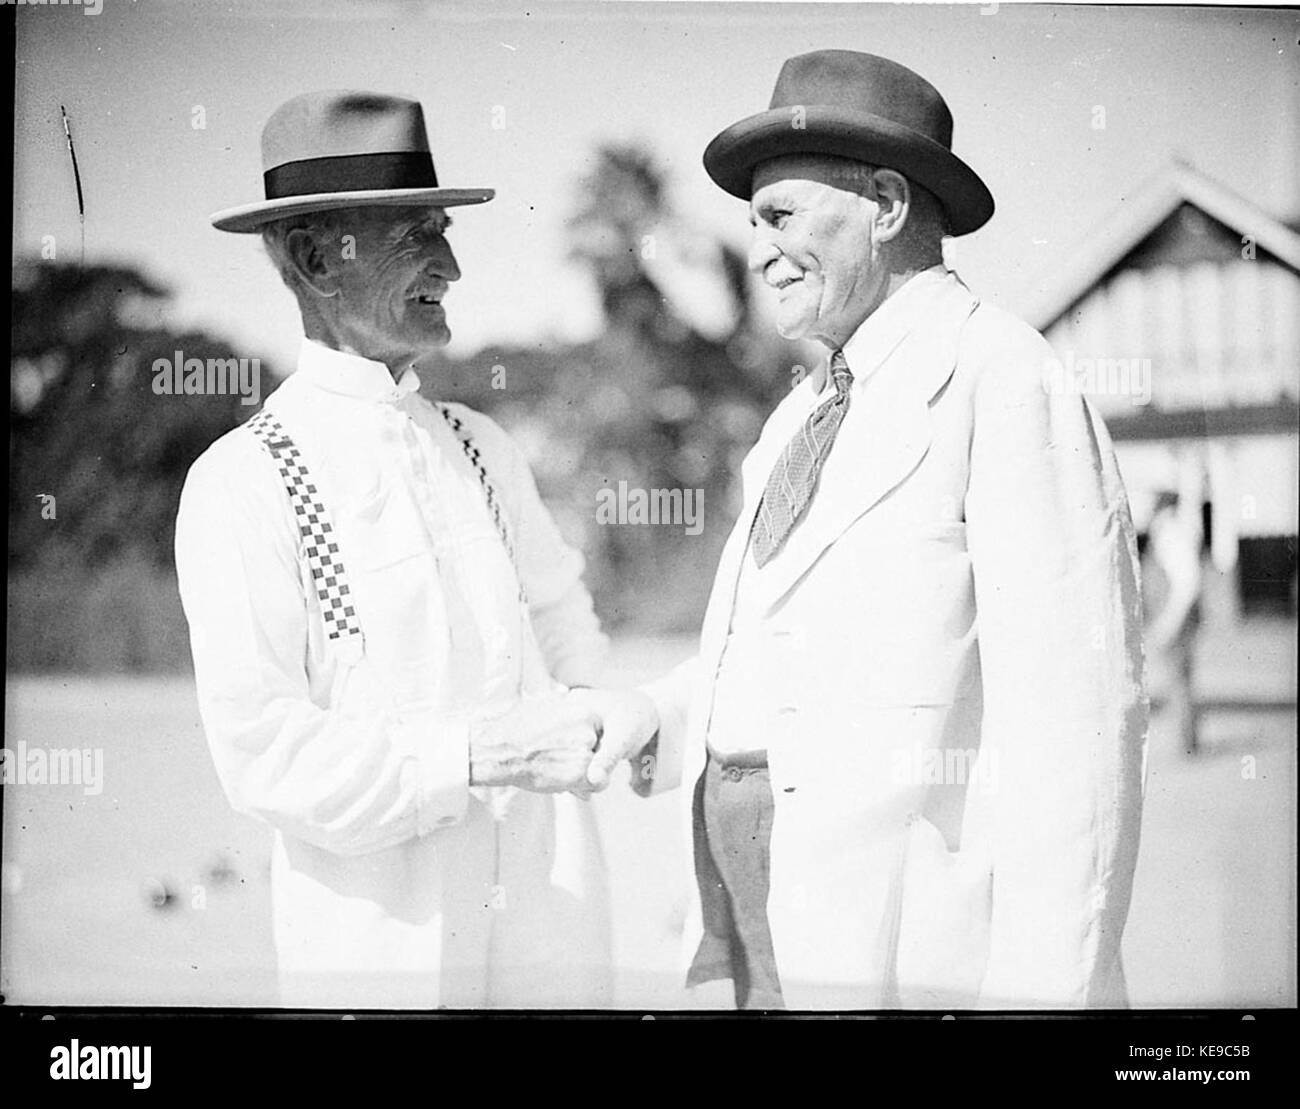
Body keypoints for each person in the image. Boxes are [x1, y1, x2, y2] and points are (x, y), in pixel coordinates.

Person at [591, 50, 1149, 1009]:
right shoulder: (794, 418)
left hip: (909, 944)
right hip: (762, 918)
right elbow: (778, 653)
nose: (760, 250)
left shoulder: (1005, 378)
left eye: (783, 216)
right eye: (752, 223)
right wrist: (664, 713)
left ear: (887, 204)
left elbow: (1079, 734)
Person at [176, 91, 654, 1008]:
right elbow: (265, 754)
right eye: (414, 235)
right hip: (374, 961)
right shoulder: (245, 481)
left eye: (443, 227)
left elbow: (565, 625)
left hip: (546, 953)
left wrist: (604, 717)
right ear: (319, 259)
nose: (453, 264)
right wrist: (472, 753)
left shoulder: (478, 444)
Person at [1144, 491, 1204, 755]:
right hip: (1176, 619)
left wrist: (1169, 623)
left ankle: (1187, 744)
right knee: (1179, 681)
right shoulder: (1172, 533)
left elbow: (1186, 582)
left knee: (1179, 682)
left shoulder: (1170, 535)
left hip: (1176, 620)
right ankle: (1187, 741)